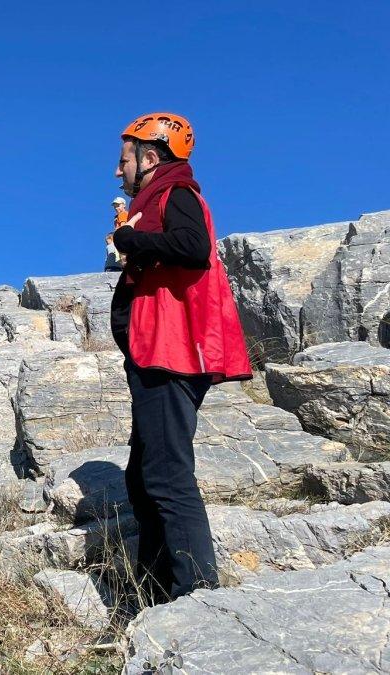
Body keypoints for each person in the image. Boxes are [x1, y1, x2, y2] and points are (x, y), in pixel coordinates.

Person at [111, 112, 252, 602]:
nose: (117, 171)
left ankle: (198, 596)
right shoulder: (157, 201)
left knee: (167, 474)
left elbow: (193, 248)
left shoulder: (178, 195)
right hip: (154, 355)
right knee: (144, 474)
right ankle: (154, 592)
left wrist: (132, 241)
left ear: (151, 159)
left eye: (124, 159)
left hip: (171, 354)